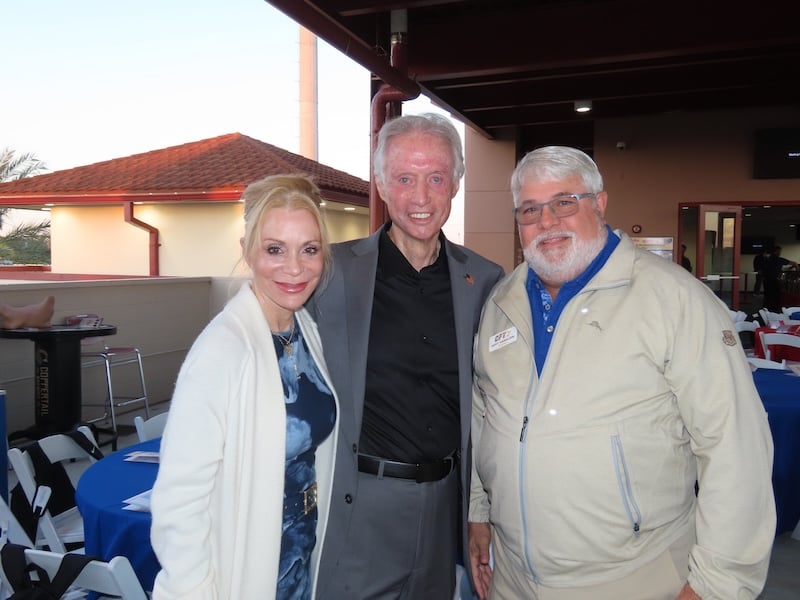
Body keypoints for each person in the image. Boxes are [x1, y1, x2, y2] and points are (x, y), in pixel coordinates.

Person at [468, 146, 775, 600]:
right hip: (512, 578)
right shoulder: (502, 302)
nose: (546, 222)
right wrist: (479, 511)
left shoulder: (675, 300)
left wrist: (717, 585)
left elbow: (735, 448)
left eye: (564, 202)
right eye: (530, 209)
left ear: (600, 203)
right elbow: (484, 414)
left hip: (636, 579)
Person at [310, 113, 504, 599]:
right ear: (380, 183)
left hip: (446, 509)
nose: (421, 197)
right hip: (358, 505)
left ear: (456, 184)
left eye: (436, 178)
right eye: (404, 179)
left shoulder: (485, 282)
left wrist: (478, 512)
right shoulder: (329, 274)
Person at [150, 174, 339, 599]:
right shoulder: (223, 350)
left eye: (309, 250)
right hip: (241, 573)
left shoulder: (304, 330)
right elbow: (179, 501)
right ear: (247, 251)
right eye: (275, 249)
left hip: (297, 560)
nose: (294, 268)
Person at [761, 245, 798, 312]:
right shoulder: (779, 259)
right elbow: (794, 263)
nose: (780, 252)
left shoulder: (766, 260)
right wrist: (797, 269)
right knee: (776, 296)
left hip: (766, 280)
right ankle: (775, 310)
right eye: (779, 251)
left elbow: (762, 270)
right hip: (774, 280)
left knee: (767, 295)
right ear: (776, 251)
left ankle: (766, 309)